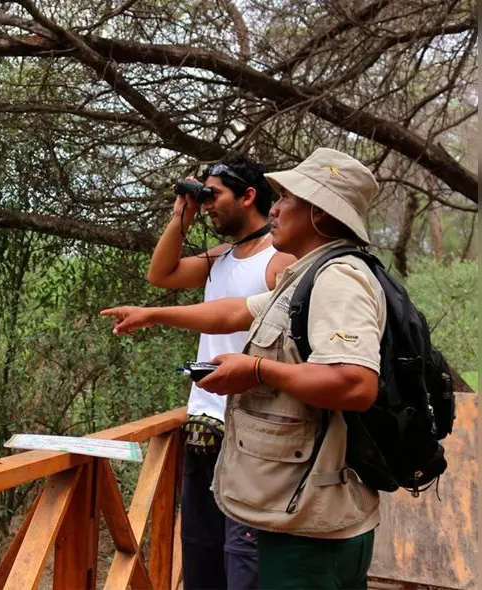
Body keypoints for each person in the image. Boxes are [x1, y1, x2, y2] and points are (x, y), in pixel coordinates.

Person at [103, 148, 384, 589]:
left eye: (287, 198)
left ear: (319, 213)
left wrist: (255, 370)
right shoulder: (302, 272)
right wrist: (153, 312)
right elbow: (232, 312)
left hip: (292, 476)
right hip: (245, 446)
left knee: (246, 564)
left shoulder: (333, 277)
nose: (276, 208)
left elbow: (357, 383)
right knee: (207, 552)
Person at [146, 151, 293, 590]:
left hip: (251, 426)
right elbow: (161, 273)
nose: (208, 203)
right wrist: (181, 218)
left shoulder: (278, 259)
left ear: (249, 196)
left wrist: (154, 315)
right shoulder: (222, 256)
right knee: (201, 545)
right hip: (203, 418)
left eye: (214, 195)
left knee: (244, 552)